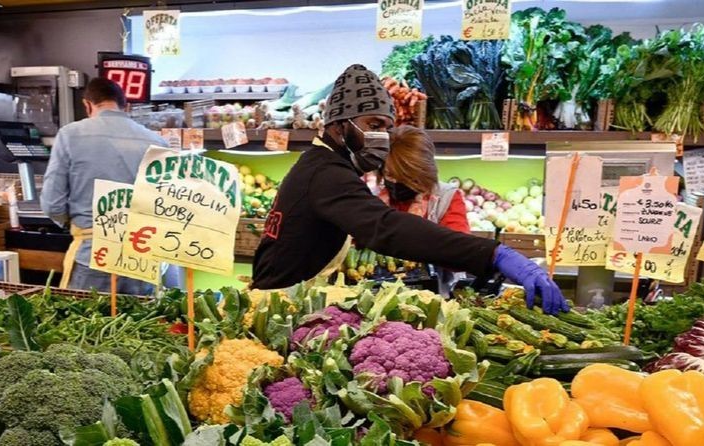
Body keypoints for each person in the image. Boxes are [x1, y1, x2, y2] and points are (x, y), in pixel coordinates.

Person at [251, 64, 568, 315]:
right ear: (338, 126)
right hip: (276, 309)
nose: (383, 138)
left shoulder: (321, 165)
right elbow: (387, 228)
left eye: (387, 128)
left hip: (284, 304)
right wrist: (494, 254)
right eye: (374, 126)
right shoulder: (326, 173)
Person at [41, 77, 181, 295]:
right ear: (127, 106)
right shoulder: (158, 141)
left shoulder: (70, 135)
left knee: (84, 324)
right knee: (141, 325)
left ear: (87, 105)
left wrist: (80, 226)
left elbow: (52, 204)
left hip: (94, 254)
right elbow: (168, 203)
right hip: (143, 254)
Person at [378, 125, 469, 234]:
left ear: (423, 172)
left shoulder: (445, 198)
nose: (396, 182)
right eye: (390, 175)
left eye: (405, 177)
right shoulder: (374, 196)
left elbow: (458, 244)